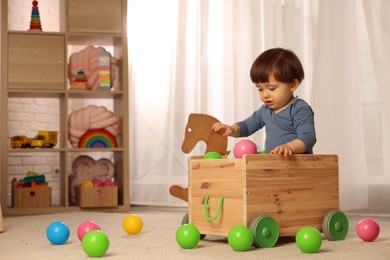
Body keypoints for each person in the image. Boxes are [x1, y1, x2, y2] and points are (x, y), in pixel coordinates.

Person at [212, 47, 316, 157]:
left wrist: (289, 147)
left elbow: (308, 137)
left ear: (292, 85)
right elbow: (247, 126)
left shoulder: (299, 108)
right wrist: (232, 129)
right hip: (273, 166)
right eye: (260, 89)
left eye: (271, 88)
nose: (265, 94)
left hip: (297, 166)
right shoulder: (265, 110)